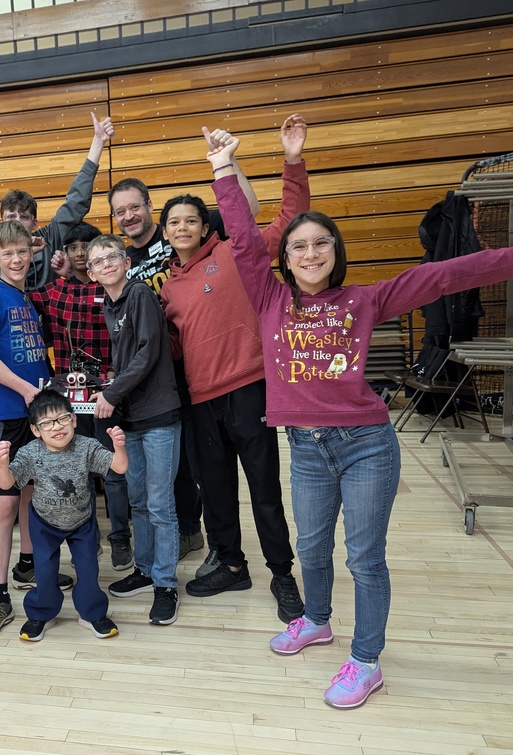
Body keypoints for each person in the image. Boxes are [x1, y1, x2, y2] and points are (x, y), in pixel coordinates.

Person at [207, 126, 513, 709]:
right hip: (306, 448)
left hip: (365, 444)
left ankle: (365, 661)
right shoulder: (270, 299)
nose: (310, 253)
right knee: (311, 549)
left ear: (336, 255)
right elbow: (241, 240)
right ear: (283, 259)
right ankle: (316, 619)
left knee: (363, 556)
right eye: (299, 247)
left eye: (321, 245)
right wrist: (225, 170)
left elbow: (440, 277)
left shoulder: (364, 300)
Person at [159, 113, 309, 624]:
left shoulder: (238, 254)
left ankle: (282, 574)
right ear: (165, 234)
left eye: (190, 220)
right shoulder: (166, 290)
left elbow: (290, 216)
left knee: (265, 491)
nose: (182, 227)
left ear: (206, 227)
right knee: (216, 492)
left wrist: (292, 159)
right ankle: (231, 564)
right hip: (201, 404)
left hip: (249, 391)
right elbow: (174, 351)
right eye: (173, 222)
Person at [106, 174, 257, 571]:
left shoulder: (180, 229)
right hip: (159, 376)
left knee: (204, 466)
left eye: (134, 206)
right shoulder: (124, 261)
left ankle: (212, 542)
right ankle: (193, 533)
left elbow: (249, 212)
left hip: (205, 369)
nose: (128, 215)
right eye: (120, 211)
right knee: (180, 465)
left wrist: (229, 165)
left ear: (150, 206)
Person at [0, 220, 70, 644]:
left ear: (33, 254)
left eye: (22, 252)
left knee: (32, 496)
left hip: (35, 415)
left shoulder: (26, 300)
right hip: (9, 415)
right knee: (5, 506)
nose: (15, 259)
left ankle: (27, 566)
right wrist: (28, 389)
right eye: (7, 253)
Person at [89, 234, 181, 625]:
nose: (106, 263)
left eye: (113, 257)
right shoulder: (111, 306)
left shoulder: (140, 293)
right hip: (133, 418)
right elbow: (128, 358)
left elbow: (148, 352)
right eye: (98, 261)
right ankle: (145, 570)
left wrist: (111, 392)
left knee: (160, 505)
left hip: (159, 415)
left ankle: (166, 585)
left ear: (126, 262)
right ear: (91, 273)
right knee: (139, 499)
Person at [30, 222, 133, 570]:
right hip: (68, 402)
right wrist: (33, 255)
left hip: (106, 398)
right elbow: (20, 296)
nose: (77, 252)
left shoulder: (116, 290)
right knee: (78, 474)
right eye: (71, 246)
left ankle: (120, 538)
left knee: (114, 474)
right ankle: (86, 538)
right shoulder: (54, 291)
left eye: (83, 246)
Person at [0, 389, 127, 641]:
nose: (56, 427)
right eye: (46, 423)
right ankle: (41, 614)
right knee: (44, 573)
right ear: (36, 430)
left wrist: (119, 447)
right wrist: (3, 465)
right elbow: (7, 483)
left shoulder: (87, 446)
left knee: (89, 569)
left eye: (62, 418)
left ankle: (91, 613)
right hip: (44, 522)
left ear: (74, 419)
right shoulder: (30, 452)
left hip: (82, 521)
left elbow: (119, 467)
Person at [0, 111, 115, 289]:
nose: (17, 222)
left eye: (24, 217)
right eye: (11, 216)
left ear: (34, 223)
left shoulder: (49, 239)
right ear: (2, 221)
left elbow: (76, 202)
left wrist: (98, 143)